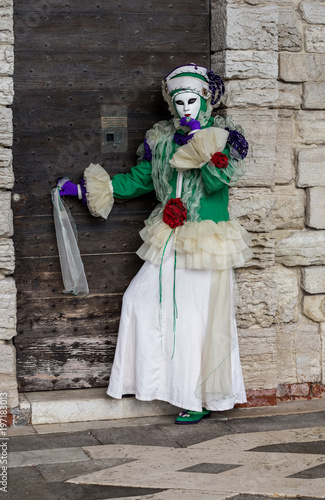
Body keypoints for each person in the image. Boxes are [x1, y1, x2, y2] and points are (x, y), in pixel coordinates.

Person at [59, 63, 252, 424]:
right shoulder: (161, 138)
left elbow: (217, 184)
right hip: (167, 234)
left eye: (192, 100)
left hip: (205, 238)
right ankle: (149, 384)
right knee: (139, 300)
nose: (185, 109)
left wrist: (202, 145)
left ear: (207, 100)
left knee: (196, 319)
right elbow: (140, 180)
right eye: (178, 102)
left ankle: (197, 398)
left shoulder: (223, 136)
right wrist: (84, 191)